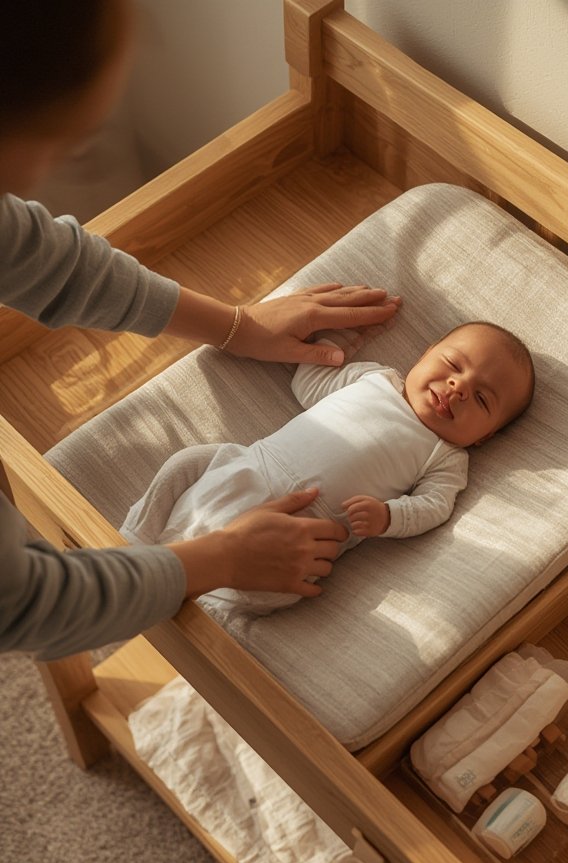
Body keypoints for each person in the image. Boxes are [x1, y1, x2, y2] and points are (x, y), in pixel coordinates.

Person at [0, 0, 401, 661]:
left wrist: (238, 325)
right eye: (65, 142)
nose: (43, 179)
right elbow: (25, 606)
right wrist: (217, 559)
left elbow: (48, 261)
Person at [121, 322, 535, 616]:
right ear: (425, 354)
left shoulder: (446, 456)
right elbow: (310, 385)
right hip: (252, 465)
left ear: (483, 437)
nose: (459, 388)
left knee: (285, 587)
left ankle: (210, 609)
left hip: (306, 526)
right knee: (188, 461)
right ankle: (135, 536)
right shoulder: (375, 378)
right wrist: (334, 344)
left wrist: (388, 516)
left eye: (482, 399)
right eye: (453, 365)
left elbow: (435, 506)